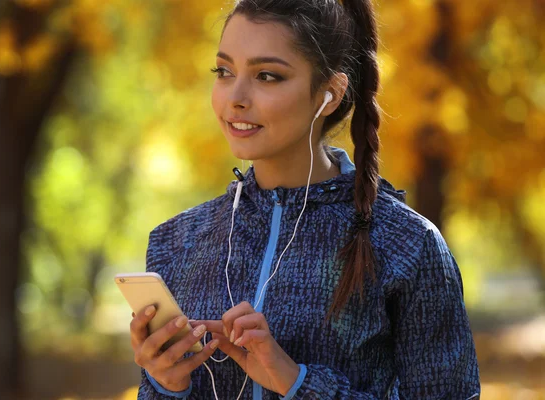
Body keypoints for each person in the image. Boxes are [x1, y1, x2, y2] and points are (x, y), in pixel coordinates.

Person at [129, 0, 481, 399]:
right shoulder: (175, 242)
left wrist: (295, 380)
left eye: (267, 76)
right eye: (224, 71)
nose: (235, 98)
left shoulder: (407, 245)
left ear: (329, 94)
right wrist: (167, 384)